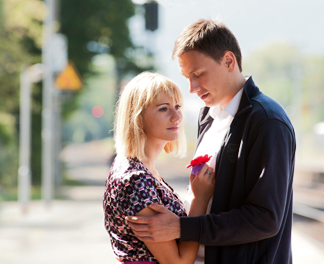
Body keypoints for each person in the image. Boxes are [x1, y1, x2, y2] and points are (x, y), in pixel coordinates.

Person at [126, 19, 296, 264]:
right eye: (187, 77)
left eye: (198, 74)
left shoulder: (268, 122)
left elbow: (265, 218)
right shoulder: (208, 115)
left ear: (229, 61)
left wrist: (183, 228)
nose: (192, 88)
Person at [103, 72, 215, 264]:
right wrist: (200, 198)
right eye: (164, 109)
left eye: (177, 106)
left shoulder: (135, 167)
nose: (177, 116)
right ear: (137, 117)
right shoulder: (135, 178)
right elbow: (178, 263)